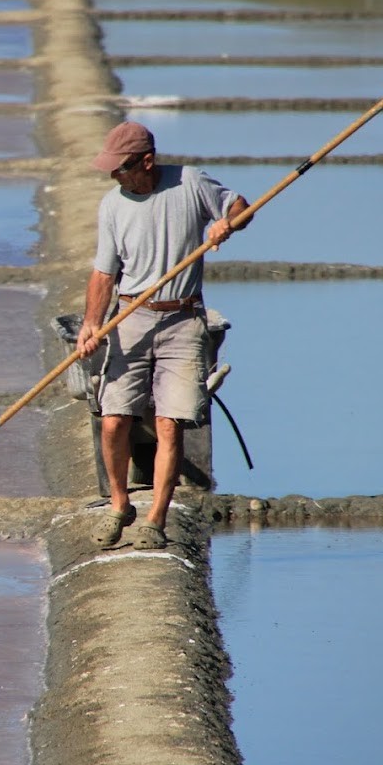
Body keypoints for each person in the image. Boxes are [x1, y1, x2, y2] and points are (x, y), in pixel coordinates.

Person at [75, 121, 249, 549]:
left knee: (168, 425)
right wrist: (91, 323)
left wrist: (227, 224)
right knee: (114, 420)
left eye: (123, 169)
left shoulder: (189, 182)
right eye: (112, 170)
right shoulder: (112, 205)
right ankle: (120, 505)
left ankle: (155, 520)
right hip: (131, 315)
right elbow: (103, 272)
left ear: (146, 161)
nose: (116, 177)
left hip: (183, 319)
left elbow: (241, 207)